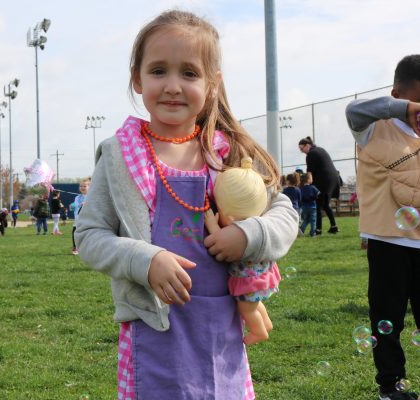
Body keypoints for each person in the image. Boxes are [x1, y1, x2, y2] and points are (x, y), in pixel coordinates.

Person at [74, 10, 298, 399]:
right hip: (153, 332)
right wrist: (144, 260)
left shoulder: (228, 154)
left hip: (220, 330)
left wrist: (249, 235)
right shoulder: (119, 156)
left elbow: (284, 213)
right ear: (137, 78)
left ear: (213, 85)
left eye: (189, 74)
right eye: (159, 71)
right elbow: (89, 235)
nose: (173, 86)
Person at [345, 54, 420, 400]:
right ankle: (391, 386)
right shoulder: (373, 128)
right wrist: (400, 110)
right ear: (398, 95)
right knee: (387, 319)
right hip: (388, 242)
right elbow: (353, 111)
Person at [203, 157, 280, 345]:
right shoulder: (254, 221)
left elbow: (213, 240)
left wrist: (212, 225)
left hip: (249, 281)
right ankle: (266, 322)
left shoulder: (235, 230)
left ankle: (258, 331)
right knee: (254, 303)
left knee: (246, 309)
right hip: (263, 275)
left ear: (229, 217)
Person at [298, 136, 340, 235]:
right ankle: (334, 226)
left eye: (301, 148)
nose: (301, 151)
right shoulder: (320, 149)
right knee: (325, 204)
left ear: (307, 145)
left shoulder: (311, 154)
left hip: (325, 180)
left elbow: (310, 173)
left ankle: (318, 230)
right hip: (333, 179)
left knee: (317, 205)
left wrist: (303, 184)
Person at [70, 178, 90, 255]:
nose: (82, 187)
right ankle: (75, 248)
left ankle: (87, 248)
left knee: (87, 234)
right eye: (81, 186)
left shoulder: (91, 197)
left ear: (89, 187)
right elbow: (75, 206)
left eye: (84, 186)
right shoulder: (77, 197)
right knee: (75, 232)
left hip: (87, 219)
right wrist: (72, 206)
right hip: (78, 219)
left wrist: (86, 203)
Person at [299, 173, 320, 237]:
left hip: (304, 207)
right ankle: (312, 233)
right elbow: (318, 194)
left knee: (306, 219)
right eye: (311, 178)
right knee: (313, 220)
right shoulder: (313, 187)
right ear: (308, 180)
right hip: (312, 206)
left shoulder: (301, 188)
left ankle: (301, 230)